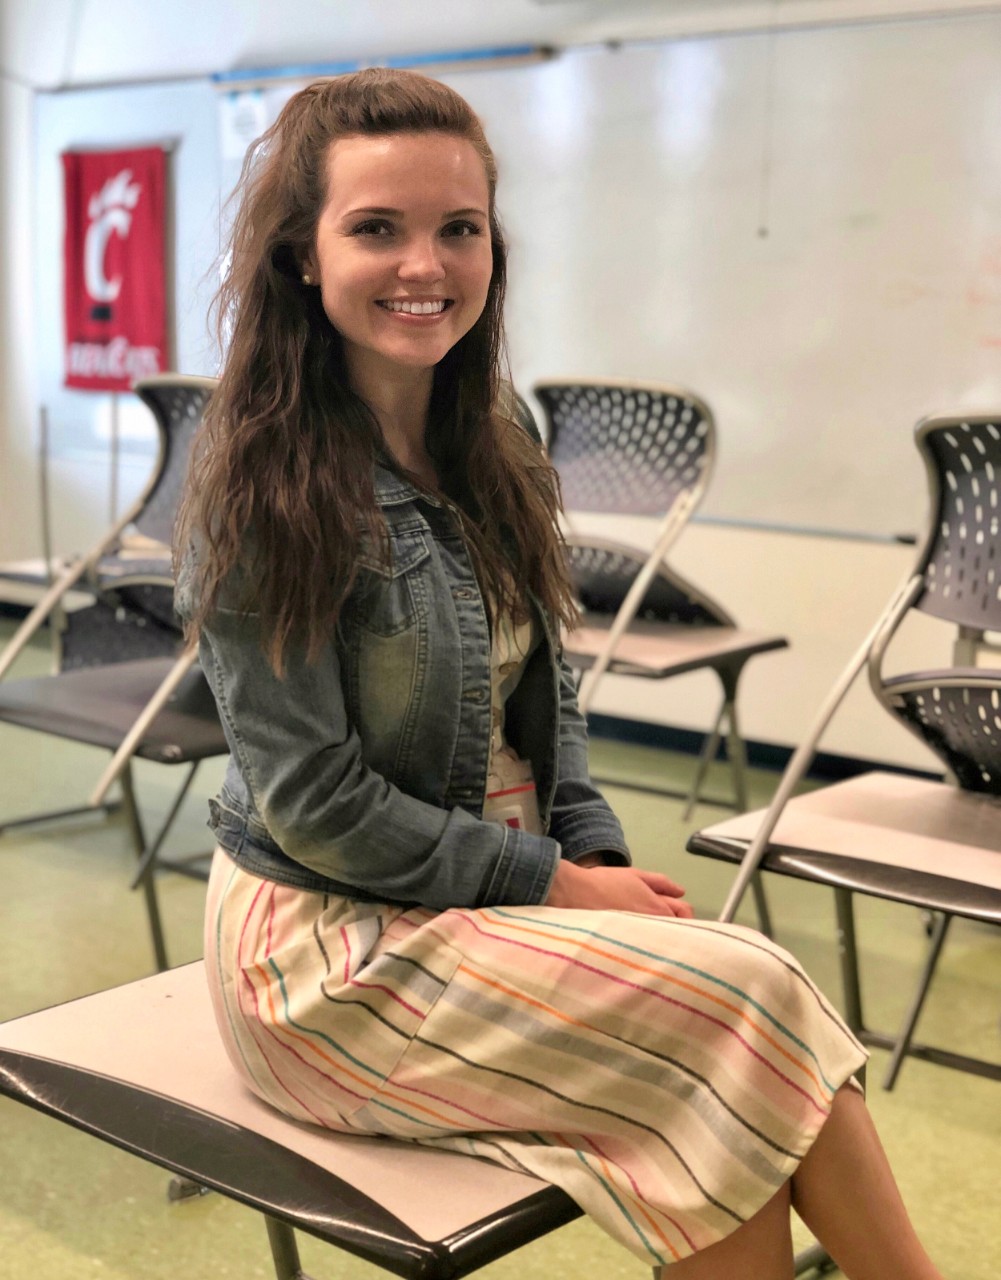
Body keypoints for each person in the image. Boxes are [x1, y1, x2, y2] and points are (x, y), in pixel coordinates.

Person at [175, 68, 943, 1280]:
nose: (423, 263)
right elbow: (312, 808)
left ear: (493, 245)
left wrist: (585, 844)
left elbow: (547, 688)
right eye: (375, 227)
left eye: (457, 228)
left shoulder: (498, 434)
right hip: (332, 952)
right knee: (747, 997)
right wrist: (559, 887)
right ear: (302, 258)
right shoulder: (259, 484)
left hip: (485, 896)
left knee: (706, 1090)